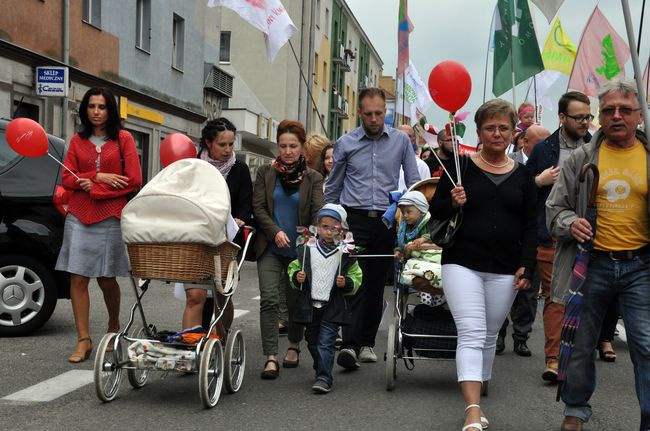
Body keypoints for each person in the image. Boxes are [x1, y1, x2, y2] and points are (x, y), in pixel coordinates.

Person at [547, 78, 650, 431]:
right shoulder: (581, 157)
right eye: (608, 111)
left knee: (646, 344)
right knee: (580, 342)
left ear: (640, 115)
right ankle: (575, 409)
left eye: (625, 110)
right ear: (599, 118)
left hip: (641, 266)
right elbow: (553, 210)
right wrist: (570, 222)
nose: (616, 116)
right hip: (591, 264)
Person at [429, 99, 537, 431]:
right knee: (472, 333)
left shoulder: (523, 175)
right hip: (462, 263)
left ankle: (478, 379)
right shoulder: (460, 168)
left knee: (490, 334)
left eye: (503, 127)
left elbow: (532, 225)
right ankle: (473, 410)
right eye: (490, 127)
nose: (496, 133)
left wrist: (526, 266)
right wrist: (453, 201)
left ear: (512, 133)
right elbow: (435, 211)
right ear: (478, 132)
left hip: (505, 267)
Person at [324, 87, 419, 369]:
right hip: (353, 219)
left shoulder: (401, 141)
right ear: (360, 113)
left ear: (385, 112)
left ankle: (367, 343)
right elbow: (333, 187)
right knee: (353, 281)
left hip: (388, 219)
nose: (375, 119)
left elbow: (414, 183)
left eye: (380, 113)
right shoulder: (345, 143)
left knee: (377, 284)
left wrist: (414, 216)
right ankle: (349, 345)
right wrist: (328, 221)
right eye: (369, 114)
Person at [55, 87, 142, 363]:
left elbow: (134, 180)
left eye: (101, 107)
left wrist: (96, 188)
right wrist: (97, 175)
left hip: (111, 216)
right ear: (85, 110)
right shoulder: (77, 141)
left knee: (106, 278)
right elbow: (67, 178)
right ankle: (84, 340)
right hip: (79, 215)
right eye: (91, 106)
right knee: (78, 278)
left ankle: (113, 328)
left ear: (110, 110)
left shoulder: (123, 138)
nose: (96, 112)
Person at [526, 91, 592, 383]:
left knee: (589, 297)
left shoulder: (596, 147)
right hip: (552, 234)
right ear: (562, 118)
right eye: (578, 117)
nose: (585, 123)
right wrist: (539, 180)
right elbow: (522, 190)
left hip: (591, 235)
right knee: (556, 296)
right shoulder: (544, 149)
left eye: (588, 117)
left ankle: (578, 355)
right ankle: (554, 359)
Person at [252, 119, 324, 379]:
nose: (288, 151)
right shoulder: (265, 173)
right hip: (270, 246)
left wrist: (303, 240)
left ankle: (293, 344)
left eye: (293, 146)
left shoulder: (313, 178)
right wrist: (276, 232)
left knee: (295, 303)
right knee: (270, 300)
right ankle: (270, 356)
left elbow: (317, 213)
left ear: (302, 147)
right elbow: (258, 208)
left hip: (299, 249)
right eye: (283, 146)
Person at [288, 204, 362, 394]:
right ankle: (321, 365)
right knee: (311, 340)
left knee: (326, 342)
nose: (329, 232)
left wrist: (345, 283)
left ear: (342, 230)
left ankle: (324, 377)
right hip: (310, 304)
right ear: (317, 228)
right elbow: (293, 268)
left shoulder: (345, 253)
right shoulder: (306, 250)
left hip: (333, 305)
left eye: (334, 228)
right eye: (325, 227)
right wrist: (297, 276)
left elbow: (357, 276)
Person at [195, 117, 253, 333]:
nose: (228, 150)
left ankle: (222, 335)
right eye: (222, 144)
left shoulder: (240, 169)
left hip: (228, 239)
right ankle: (198, 336)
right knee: (198, 291)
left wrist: (240, 219)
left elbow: (246, 205)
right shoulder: (195, 165)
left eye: (231, 144)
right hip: (199, 236)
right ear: (208, 143)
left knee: (222, 290)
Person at [497, 125, 551, 356]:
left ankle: (521, 336)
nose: (546, 147)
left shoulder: (553, 163)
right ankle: (498, 335)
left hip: (536, 235)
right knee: (502, 289)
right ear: (525, 142)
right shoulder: (509, 162)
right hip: (508, 236)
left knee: (529, 290)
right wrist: (538, 181)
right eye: (541, 142)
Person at [393, 191, 431, 259]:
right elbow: (400, 242)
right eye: (402, 212)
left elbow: (436, 235)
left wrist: (423, 239)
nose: (405, 215)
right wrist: (398, 251)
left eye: (408, 212)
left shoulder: (429, 221)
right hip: (411, 258)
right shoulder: (404, 227)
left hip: (429, 256)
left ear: (422, 211)